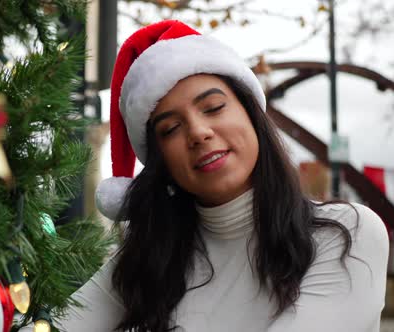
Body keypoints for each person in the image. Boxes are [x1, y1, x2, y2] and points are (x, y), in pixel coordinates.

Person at [56, 20, 389, 332]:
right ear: (160, 161)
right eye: (171, 128)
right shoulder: (143, 264)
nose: (199, 132)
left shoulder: (346, 234)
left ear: (251, 115)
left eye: (213, 107)